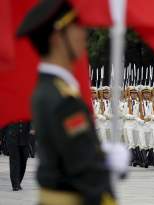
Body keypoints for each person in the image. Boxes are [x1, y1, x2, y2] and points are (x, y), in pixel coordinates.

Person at [17, 0, 116, 204]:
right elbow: (86, 172)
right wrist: (107, 165)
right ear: (57, 37)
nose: (83, 35)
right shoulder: (63, 100)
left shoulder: (48, 89)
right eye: (76, 27)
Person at [4, 121, 31, 191]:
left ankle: (18, 181)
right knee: (14, 161)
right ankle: (15, 184)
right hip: (12, 137)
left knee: (23, 160)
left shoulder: (28, 111)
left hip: (25, 138)